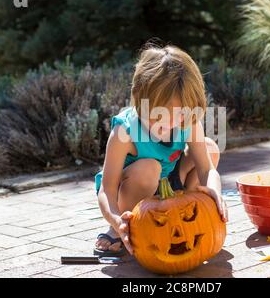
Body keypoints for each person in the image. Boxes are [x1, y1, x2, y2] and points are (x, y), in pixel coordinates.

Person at [94, 44, 228, 257]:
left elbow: (207, 169)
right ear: (141, 100)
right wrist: (116, 218)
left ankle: (187, 216)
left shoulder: (188, 121)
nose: (174, 122)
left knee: (210, 149)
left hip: (170, 182)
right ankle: (121, 229)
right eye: (161, 115)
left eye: (182, 114)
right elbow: (106, 189)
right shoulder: (125, 131)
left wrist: (215, 191)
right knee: (150, 167)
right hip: (133, 192)